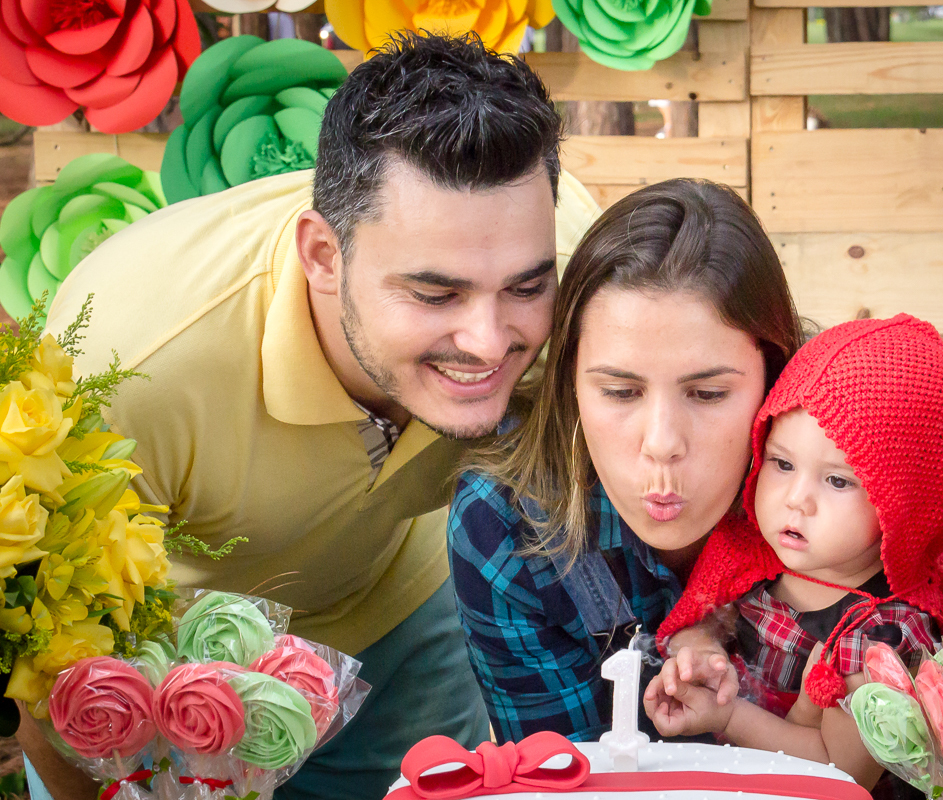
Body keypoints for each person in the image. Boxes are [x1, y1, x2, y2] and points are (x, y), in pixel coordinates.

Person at [23, 33, 600, 800]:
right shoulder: (132, 360)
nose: (491, 343)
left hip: (399, 598)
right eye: (436, 294)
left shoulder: (580, 280)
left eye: (525, 287)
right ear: (323, 257)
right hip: (165, 658)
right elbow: (34, 647)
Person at [448, 181, 943, 747]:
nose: (661, 444)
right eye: (619, 391)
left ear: (773, 372)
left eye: (708, 395)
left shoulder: (894, 470)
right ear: (570, 383)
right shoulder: (503, 521)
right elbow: (564, 777)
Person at [642, 314, 943, 797]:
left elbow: (839, 771)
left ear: (899, 503)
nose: (796, 499)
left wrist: (728, 713)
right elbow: (706, 615)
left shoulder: (879, 637)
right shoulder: (751, 550)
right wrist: (703, 652)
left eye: (837, 480)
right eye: (783, 462)